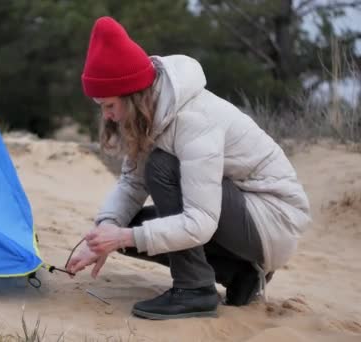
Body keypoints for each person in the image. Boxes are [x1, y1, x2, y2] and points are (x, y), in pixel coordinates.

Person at [65, 16, 312, 320]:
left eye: (110, 106)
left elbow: (200, 222)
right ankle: (239, 275)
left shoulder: (194, 121)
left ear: (133, 96)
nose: (108, 117)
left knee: (161, 168)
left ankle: (194, 289)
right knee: (127, 229)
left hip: (271, 222)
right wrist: (105, 232)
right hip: (240, 219)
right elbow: (131, 184)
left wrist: (124, 236)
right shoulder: (152, 114)